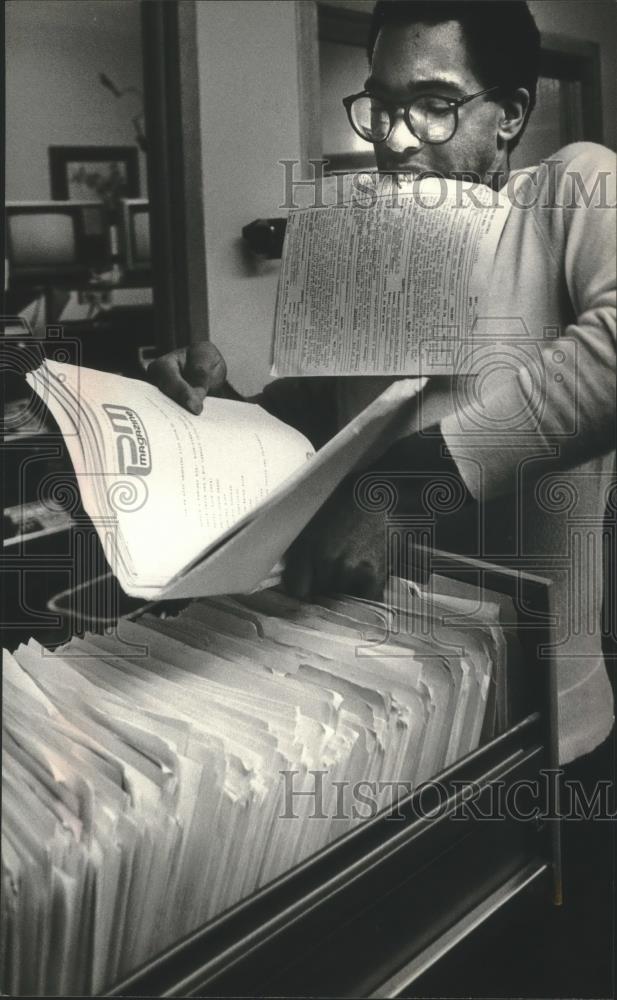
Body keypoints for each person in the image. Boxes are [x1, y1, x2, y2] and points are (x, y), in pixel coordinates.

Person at [150, 8, 615, 988]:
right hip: (379, 739)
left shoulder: (571, 188)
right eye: (382, 107)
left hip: (543, 749)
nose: (396, 138)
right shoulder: (364, 245)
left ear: (510, 114)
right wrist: (211, 401)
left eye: (435, 105)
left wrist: (407, 488)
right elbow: (316, 447)